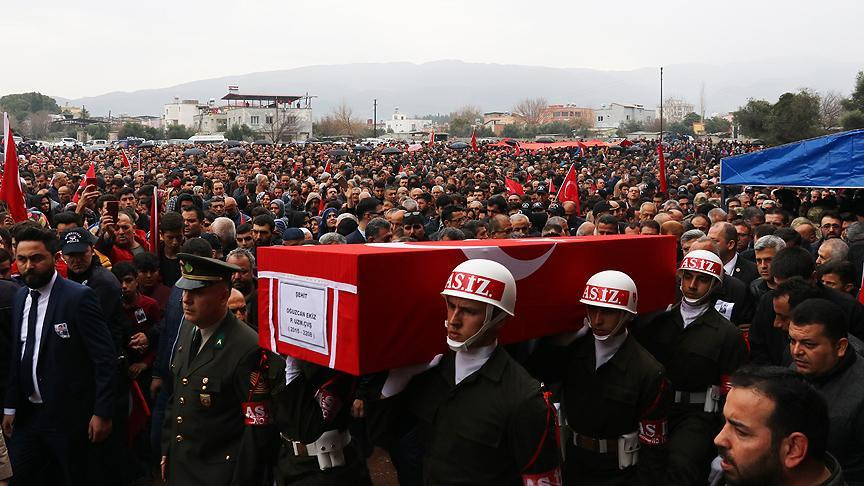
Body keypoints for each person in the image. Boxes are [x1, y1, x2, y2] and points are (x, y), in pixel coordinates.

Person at [367, 259, 562, 485]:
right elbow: (381, 438)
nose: (454, 320)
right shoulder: (429, 372)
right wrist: (394, 385)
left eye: (469, 311)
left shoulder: (522, 397)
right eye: (451, 306)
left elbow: (541, 476)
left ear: (500, 318)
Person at [529, 270, 671, 485]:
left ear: (628, 314)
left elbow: (654, 446)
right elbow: (537, 374)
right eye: (592, 309)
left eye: (608, 311)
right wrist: (557, 344)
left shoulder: (649, 371)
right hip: (576, 465)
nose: (597, 319)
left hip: (620, 472)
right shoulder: (573, 351)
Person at [2, 226, 117, 485]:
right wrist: (10, 405)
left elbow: (104, 358)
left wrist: (102, 411)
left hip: (70, 419)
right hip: (28, 417)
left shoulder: (78, 298)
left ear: (55, 259)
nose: (28, 266)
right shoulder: (20, 296)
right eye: (22, 259)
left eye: (36, 258)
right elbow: (18, 355)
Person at [634, 249, 748, 485]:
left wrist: (725, 450)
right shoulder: (656, 320)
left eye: (702, 279)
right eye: (688, 276)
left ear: (715, 285)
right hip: (654, 409)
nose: (693, 285)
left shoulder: (728, 334)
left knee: (681, 465)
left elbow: (734, 392)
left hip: (698, 416)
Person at [160, 253, 275, 485]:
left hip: (219, 474)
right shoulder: (189, 329)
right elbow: (178, 396)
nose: (186, 299)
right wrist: (167, 449)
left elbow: (257, 431)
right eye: (184, 291)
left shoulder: (247, 347)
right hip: (184, 466)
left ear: (223, 295)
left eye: (197, 292)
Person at [713, 365, 845, 486]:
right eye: (725, 422)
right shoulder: (747, 476)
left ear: (793, 449)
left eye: (741, 432)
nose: (719, 439)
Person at [789, 298, 864, 484]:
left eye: (809, 344)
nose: (796, 351)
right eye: (792, 341)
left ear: (840, 347)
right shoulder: (796, 369)